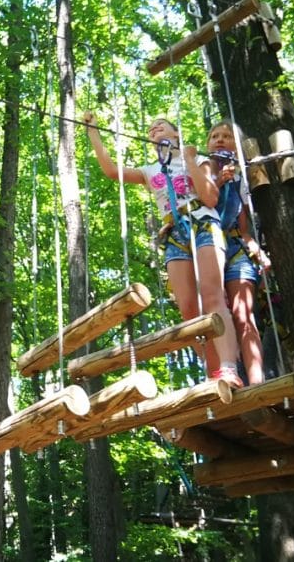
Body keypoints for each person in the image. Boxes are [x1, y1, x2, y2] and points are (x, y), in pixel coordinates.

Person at [83, 112, 242, 387]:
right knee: (187, 308)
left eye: (161, 125)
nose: (154, 127)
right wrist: (92, 131)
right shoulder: (149, 170)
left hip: (203, 223)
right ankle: (213, 371)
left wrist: (189, 159)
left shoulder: (199, 160)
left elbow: (210, 197)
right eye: (151, 128)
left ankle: (229, 367)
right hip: (174, 233)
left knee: (212, 295)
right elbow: (111, 171)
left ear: (176, 134)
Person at [208, 120, 270, 385]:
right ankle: (223, 377)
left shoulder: (240, 178)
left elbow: (242, 224)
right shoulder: (198, 170)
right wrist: (217, 182)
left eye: (226, 136)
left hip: (234, 247)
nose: (220, 140)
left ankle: (257, 382)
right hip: (207, 247)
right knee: (214, 315)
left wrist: (253, 246)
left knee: (243, 315)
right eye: (215, 136)